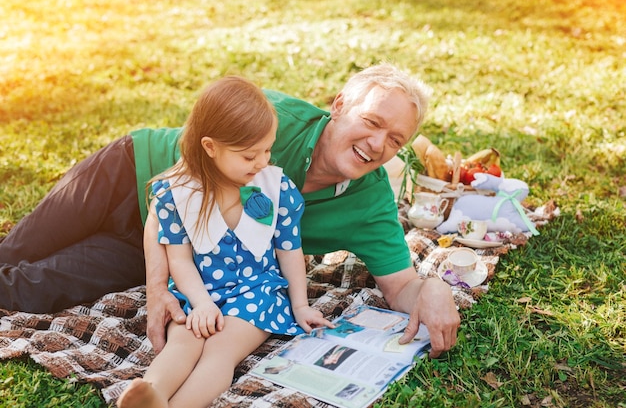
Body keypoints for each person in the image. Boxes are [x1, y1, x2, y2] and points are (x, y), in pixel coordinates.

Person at [0, 63, 460, 358]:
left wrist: (433, 288)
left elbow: (401, 285)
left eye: (395, 139)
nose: (378, 144)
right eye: (372, 122)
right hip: (131, 175)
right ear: (339, 107)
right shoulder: (272, 119)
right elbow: (174, 186)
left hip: (169, 243)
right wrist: (157, 286)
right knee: (13, 251)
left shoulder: (372, 203)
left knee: (30, 290)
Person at [116, 76, 333, 408]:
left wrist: (300, 305)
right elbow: (180, 260)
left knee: (220, 349)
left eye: (267, 150)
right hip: (199, 291)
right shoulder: (179, 193)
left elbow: (290, 251)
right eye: (249, 156)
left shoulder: (276, 188)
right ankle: (152, 392)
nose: (262, 162)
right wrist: (201, 303)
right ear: (210, 147)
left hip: (257, 292)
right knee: (185, 340)